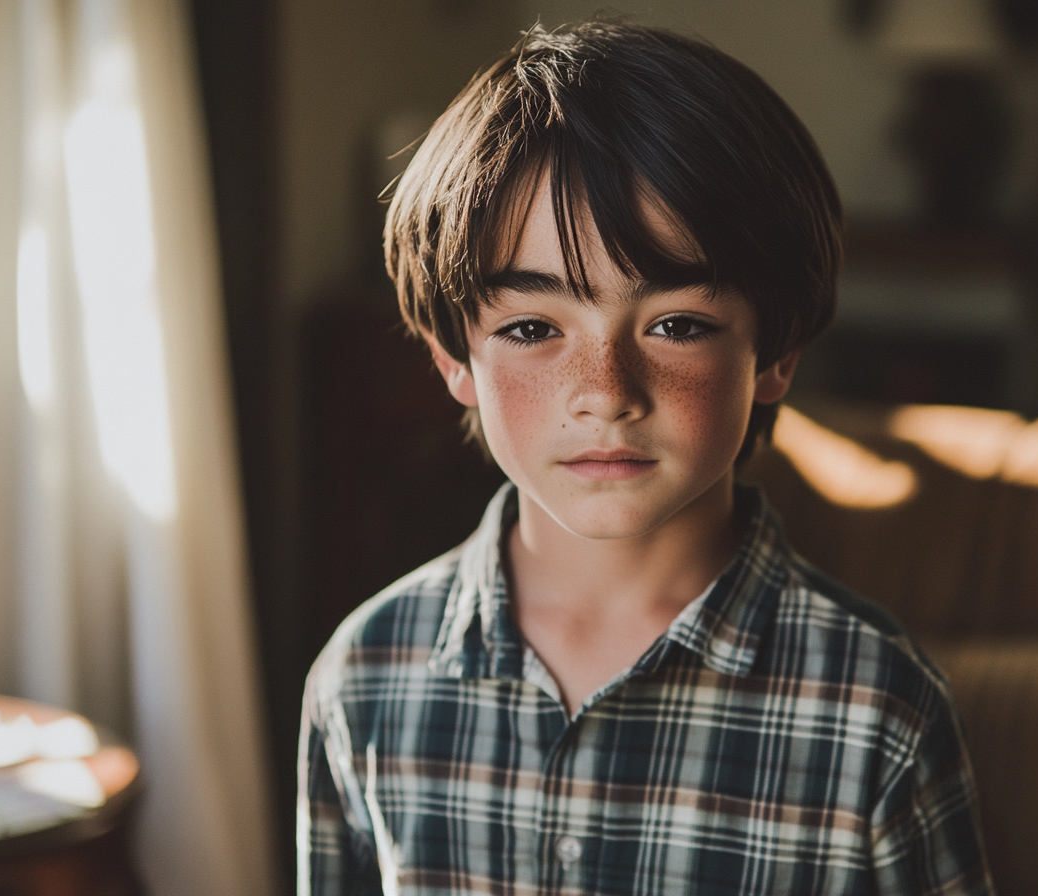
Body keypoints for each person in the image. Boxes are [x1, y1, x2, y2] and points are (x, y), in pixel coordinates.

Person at [300, 19, 994, 896]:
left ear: (775, 352)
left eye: (676, 325)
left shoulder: (879, 711)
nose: (605, 390)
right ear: (453, 360)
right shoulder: (364, 677)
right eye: (531, 328)